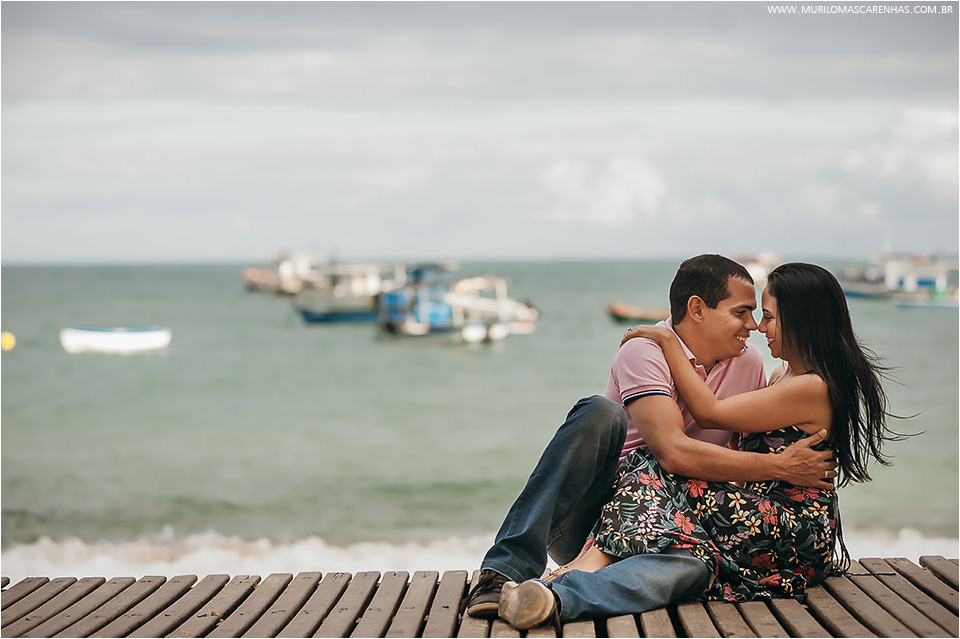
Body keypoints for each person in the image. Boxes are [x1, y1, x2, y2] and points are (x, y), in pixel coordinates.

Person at [497, 262, 902, 630]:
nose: (758, 327)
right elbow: (691, 447)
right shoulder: (778, 375)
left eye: (768, 316)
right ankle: (543, 576)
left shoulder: (802, 385)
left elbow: (710, 414)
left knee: (673, 514)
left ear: (802, 321)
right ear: (697, 309)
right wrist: (667, 343)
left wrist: (669, 341)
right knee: (654, 460)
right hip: (652, 512)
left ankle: (562, 586)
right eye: (746, 313)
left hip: (784, 525)